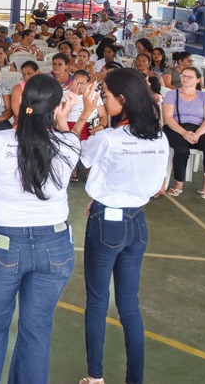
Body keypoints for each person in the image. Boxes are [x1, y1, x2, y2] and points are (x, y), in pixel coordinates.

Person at [0, 74, 79, 384]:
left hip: (5, 243)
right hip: (55, 245)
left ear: (23, 101)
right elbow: (65, 140)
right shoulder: (69, 142)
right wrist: (64, 120)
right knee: (37, 328)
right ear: (56, 108)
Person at [79, 69, 169, 384]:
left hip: (107, 223)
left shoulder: (109, 138)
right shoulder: (160, 136)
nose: (102, 99)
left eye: (105, 95)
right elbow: (159, 186)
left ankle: (96, 376)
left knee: (97, 300)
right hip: (137, 222)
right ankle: (135, 379)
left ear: (122, 99)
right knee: (129, 304)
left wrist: (93, 116)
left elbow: (82, 156)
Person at [161, 66, 205, 199]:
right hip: (175, 128)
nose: (185, 79)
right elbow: (168, 118)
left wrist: (197, 134)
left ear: (198, 80)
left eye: (190, 77)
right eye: (183, 76)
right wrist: (184, 133)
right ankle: (178, 182)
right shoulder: (172, 94)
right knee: (181, 149)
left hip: (198, 129)